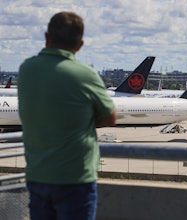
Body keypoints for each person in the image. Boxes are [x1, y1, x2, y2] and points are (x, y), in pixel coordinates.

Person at [17, 11, 116, 220]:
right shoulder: (85, 74)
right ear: (80, 45)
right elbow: (110, 117)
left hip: (38, 176)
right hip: (75, 178)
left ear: (46, 37)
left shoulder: (26, 69)